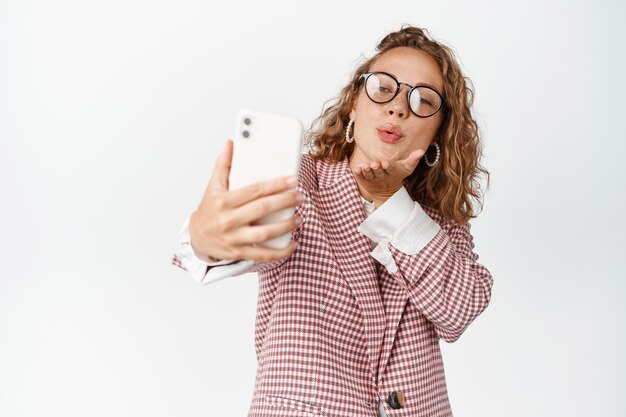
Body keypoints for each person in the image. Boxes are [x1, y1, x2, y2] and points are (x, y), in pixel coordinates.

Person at [172, 25, 493, 417]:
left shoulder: (442, 225)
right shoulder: (303, 182)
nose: (398, 108)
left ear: (439, 131)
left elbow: (458, 310)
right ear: (354, 106)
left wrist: (392, 202)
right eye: (382, 88)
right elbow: (243, 240)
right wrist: (205, 241)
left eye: (423, 100)